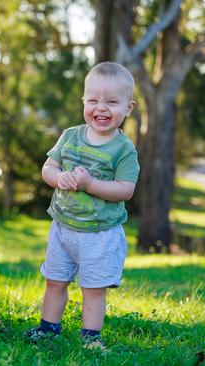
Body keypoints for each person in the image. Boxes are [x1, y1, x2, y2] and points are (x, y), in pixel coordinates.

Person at [26, 61, 140, 350]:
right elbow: (48, 167)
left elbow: (125, 190)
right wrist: (58, 177)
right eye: (93, 101)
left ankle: (91, 338)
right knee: (54, 280)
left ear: (129, 108)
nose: (101, 108)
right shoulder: (70, 136)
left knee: (93, 288)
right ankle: (48, 329)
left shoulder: (123, 149)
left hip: (100, 235)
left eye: (112, 102)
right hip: (63, 227)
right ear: (84, 102)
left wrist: (90, 185)